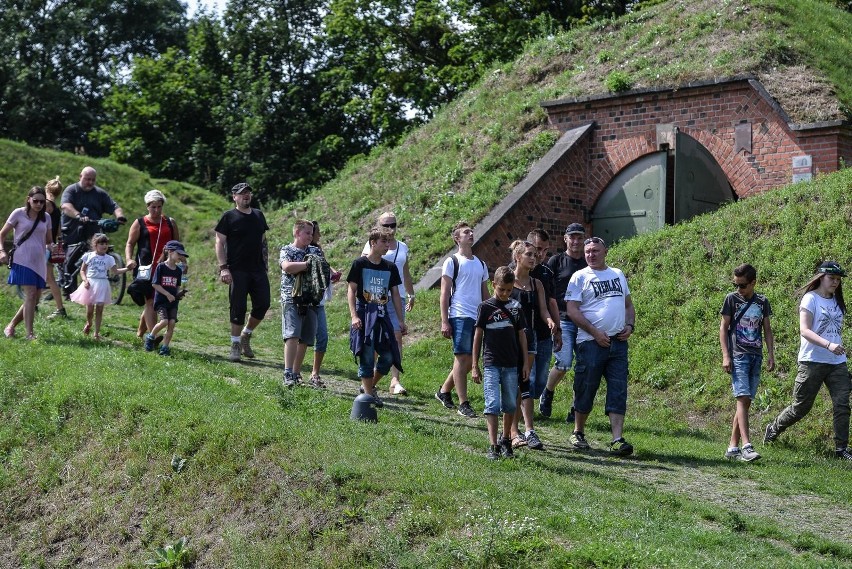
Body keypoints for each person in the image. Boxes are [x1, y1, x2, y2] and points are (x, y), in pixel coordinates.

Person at [764, 261, 852, 461]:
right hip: (812, 360)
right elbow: (805, 331)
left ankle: (841, 449)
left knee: (842, 404)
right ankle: (774, 427)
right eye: (832, 278)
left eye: (838, 279)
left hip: (837, 361)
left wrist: (835, 348)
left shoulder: (837, 300)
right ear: (821, 277)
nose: (836, 283)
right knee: (801, 406)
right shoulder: (810, 299)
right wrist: (828, 344)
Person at [566, 236, 636, 456]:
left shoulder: (617, 274)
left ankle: (617, 439)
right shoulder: (579, 277)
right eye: (587, 251)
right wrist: (595, 333)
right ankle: (578, 432)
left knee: (618, 390)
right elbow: (572, 310)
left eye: (595, 251)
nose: (590, 255)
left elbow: (628, 305)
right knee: (586, 386)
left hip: (618, 344)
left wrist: (630, 326)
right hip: (590, 343)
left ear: (605, 251)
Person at [719, 263, 775, 462]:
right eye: (736, 285)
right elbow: (723, 328)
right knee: (742, 398)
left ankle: (732, 447)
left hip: (756, 355)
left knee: (746, 401)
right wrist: (726, 356)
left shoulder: (762, 301)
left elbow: (767, 329)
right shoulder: (731, 300)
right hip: (738, 356)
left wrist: (771, 354)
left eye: (742, 285)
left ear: (753, 283)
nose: (738, 289)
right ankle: (747, 446)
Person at [472, 266, 529, 460]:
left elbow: (522, 335)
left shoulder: (516, 307)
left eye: (509, 290)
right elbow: (478, 336)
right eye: (501, 289)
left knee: (510, 404)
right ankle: (493, 445)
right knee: (492, 404)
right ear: (493, 285)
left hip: (512, 363)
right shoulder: (485, 307)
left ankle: (505, 439)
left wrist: (525, 363)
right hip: (491, 362)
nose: (505, 293)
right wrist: (474, 365)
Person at [435, 222, 490, 418]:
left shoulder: (481, 264)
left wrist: (490, 315)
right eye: (466, 232)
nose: (471, 234)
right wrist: (444, 320)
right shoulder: (452, 261)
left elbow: (485, 293)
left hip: (477, 317)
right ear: (457, 238)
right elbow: (444, 293)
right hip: (459, 314)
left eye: (472, 231)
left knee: (470, 361)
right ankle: (463, 403)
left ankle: (443, 391)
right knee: (462, 358)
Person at [347, 226, 407, 402]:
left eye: (389, 241)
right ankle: (367, 398)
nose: (387, 245)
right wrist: (354, 316)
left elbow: (395, 294)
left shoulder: (390, 267)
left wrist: (400, 320)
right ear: (373, 243)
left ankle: (369, 387)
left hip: (382, 317)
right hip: (365, 314)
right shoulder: (360, 264)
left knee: (388, 357)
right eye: (384, 241)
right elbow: (351, 291)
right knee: (366, 356)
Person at [214, 182, 271, 362]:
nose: (246, 196)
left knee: (263, 303)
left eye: (248, 193)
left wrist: (266, 264)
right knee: (238, 306)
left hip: (258, 269)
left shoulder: (258, 215)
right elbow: (219, 243)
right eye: (242, 193)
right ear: (234, 197)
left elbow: (263, 241)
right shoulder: (228, 217)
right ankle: (235, 343)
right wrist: (224, 268)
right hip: (237, 269)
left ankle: (246, 334)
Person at [361, 211, 415, 395]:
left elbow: (405, 272)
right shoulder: (372, 245)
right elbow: (365, 269)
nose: (390, 228)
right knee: (375, 337)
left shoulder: (403, 247)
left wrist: (411, 294)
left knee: (397, 335)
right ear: (378, 225)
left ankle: (395, 380)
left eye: (393, 225)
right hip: (376, 296)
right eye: (386, 225)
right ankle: (370, 378)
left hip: (396, 296)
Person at [508, 240, 554, 450]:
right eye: (529, 254)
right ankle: (513, 430)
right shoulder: (507, 280)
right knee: (515, 384)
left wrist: (550, 321)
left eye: (535, 255)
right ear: (517, 257)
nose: (534, 258)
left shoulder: (537, 284)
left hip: (531, 337)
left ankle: (527, 430)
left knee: (524, 383)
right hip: (509, 338)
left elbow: (543, 310)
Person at [540, 222, 588, 420]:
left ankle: (575, 409)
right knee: (564, 362)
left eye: (579, 237)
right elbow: (546, 292)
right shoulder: (556, 261)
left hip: (585, 322)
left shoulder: (589, 263)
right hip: (563, 320)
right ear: (565, 239)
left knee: (583, 367)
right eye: (572, 237)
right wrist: (551, 319)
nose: (576, 241)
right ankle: (548, 392)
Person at [60, 166, 126, 296]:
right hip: (73, 229)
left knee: (97, 254)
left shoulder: (100, 193)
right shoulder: (71, 190)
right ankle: (69, 290)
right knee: (71, 260)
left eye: (93, 180)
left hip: (93, 229)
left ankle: (95, 288)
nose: (90, 182)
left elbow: (114, 206)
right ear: (80, 177)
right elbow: (65, 206)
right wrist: (78, 215)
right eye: (87, 179)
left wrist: (120, 216)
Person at [125, 189, 180, 343]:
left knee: (155, 301)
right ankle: (152, 337)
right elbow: (130, 243)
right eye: (152, 207)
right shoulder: (139, 223)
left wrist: (181, 261)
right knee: (150, 301)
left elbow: (177, 245)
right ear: (147, 206)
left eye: (159, 207)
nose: (156, 210)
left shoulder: (170, 222)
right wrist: (129, 259)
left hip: (166, 269)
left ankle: (139, 333)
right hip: (146, 269)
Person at [0, 187, 53, 340]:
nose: (38, 204)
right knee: (30, 294)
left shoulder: (46, 217)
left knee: (34, 298)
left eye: (42, 202)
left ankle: (10, 326)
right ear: (28, 199)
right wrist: (1, 251)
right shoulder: (18, 213)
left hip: (39, 261)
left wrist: (52, 246)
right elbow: (2, 235)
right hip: (22, 259)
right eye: (35, 200)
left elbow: (49, 240)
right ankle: (29, 334)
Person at [280, 220, 325, 387]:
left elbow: (322, 268)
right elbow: (287, 267)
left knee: (305, 338)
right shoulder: (287, 249)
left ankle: (296, 372)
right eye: (307, 233)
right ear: (297, 233)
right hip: (291, 298)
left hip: (312, 299)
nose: (311, 236)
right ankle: (287, 373)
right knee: (292, 335)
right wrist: (307, 265)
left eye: (312, 233)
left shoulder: (315, 250)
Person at [526, 229, 562, 412]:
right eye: (538, 248)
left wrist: (559, 331)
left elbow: (552, 302)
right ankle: (523, 411)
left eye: (545, 250)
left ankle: (527, 405)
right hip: (524, 332)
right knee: (528, 377)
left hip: (544, 332)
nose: (541, 254)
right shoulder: (515, 269)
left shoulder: (547, 272)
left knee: (540, 380)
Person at [68, 233, 129, 339]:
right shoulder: (89, 256)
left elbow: (115, 271)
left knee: (100, 309)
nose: (104, 246)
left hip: (102, 284)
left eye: (106, 243)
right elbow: (82, 270)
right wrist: (85, 280)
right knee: (90, 309)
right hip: (90, 284)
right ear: (95, 245)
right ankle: (89, 322)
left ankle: (96, 333)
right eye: (101, 243)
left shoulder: (109, 258)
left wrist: (127, 269)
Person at [309, 221, 342, 388]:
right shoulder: (301, 250)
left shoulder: (318, 249)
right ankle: (293, 372)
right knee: (301, 338)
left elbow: (324, 265)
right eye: (317, 232)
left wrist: (333, 272)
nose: (319, 235)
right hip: (305, 302)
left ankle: (315, 373)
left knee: (322, 337)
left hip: (319, 301)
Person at [144, 240, 188, 356]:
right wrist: (167, 294)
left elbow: (177, 285)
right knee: (164, 321)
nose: (180, 257)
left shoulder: (178, 270)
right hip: (162, 301)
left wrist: (178, 294)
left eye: (181, 255)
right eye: (179, 254)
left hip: (173, 302)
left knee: (172, 323)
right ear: (170, 252)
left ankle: (165, 347)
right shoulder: (161, 267)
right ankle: (151, 337)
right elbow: (155, 284)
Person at [43, 177, 67, 319]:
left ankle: (60, 308)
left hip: (45, 245)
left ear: (47, 188)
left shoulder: (46, 204)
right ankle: (34, 305)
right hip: (51, 245)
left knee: (49, 278)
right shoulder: (57, 209)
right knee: (47, 277)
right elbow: (58, 230)